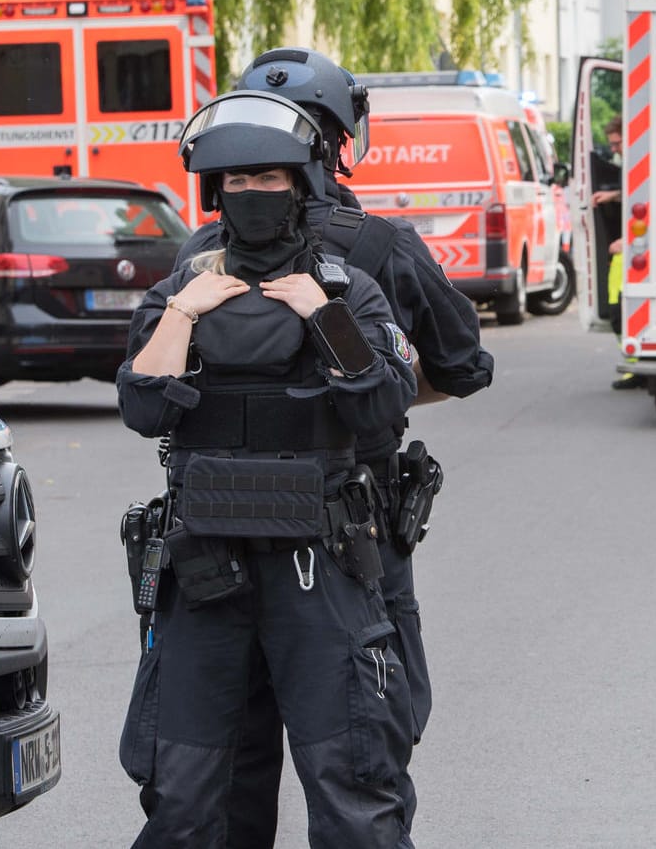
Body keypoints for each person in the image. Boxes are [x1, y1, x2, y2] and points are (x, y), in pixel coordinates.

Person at [161, 48, 494, 848]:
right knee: (360, 751)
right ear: (340, 138)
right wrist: (352, 399)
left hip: (218, 537)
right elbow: (462, 368)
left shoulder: (196, 254)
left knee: (220, 766)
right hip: (352, 535)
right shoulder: (380, 246)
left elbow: (160, 387)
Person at [117, 90, 419, 847]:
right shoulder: (181, 289)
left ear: (303, 183)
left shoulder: (348, 287)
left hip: (318, 563)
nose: (252, 195)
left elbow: (382, 402)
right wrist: (186, 313)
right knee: (186, 795)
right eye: (236, 182)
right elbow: (143, 404)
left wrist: (323, 315)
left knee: (354, 782)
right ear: (215, 191)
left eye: (269, 179)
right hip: (206, 566)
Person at [590, 118, 640, 390]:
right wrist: (614, 196)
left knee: (620, 311)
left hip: (628, 251)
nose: (615, 150)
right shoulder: (631, 163)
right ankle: (634, 366)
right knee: (617, 310)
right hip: (625, 252)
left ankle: (635, 368)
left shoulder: (640, 160)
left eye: (617, 143)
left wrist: (627, 240)